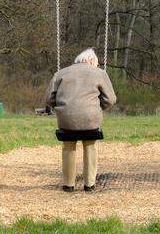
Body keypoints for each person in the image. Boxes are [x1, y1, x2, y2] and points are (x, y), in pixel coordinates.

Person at [46, 48, 117, 192]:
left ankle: (68, 184)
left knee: (68, 147)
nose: (97, 66)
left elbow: (48, 98)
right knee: (90, 146)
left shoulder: (61, 73)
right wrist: (98, 108)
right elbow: (110, 99)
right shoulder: (100, 73)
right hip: (90, 118)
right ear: (91, 60)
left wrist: (61, 108)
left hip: (66, 119)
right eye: (96, 63)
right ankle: (89, 184)